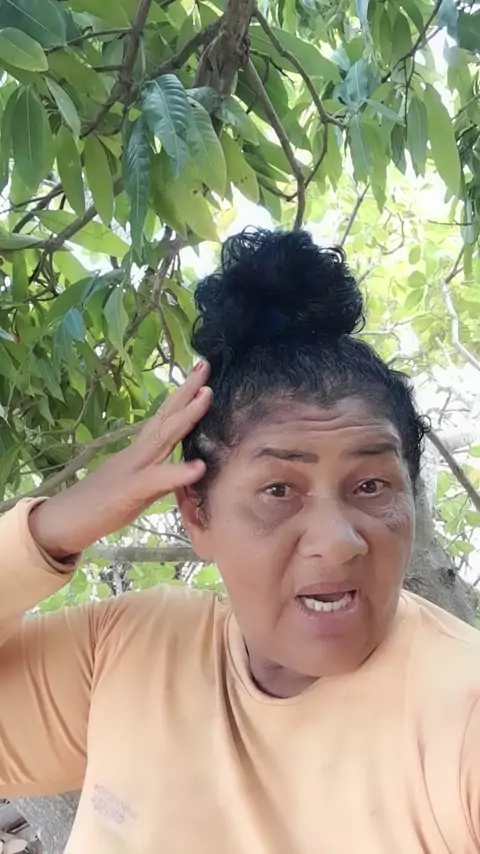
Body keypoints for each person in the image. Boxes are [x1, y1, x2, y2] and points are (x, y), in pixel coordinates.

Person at [0, 228, 479, 854]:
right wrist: (50, 529)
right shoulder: (130, 652)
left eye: (370, 486)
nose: (338, 543)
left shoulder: (461, 719)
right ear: (196, 512)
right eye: (279, 490)